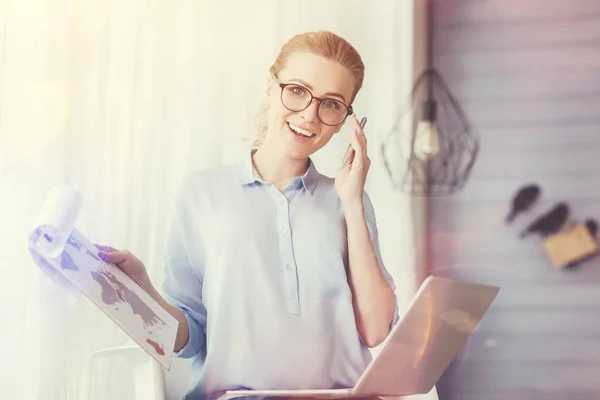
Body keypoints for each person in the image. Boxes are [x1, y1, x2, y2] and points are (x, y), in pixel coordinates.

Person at [98, 30, 399, 400]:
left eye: (332, 104)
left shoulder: (349, 200)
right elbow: (188, 339)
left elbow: (377, 331)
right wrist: (140, 291)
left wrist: (352, 201)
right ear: (271, 88)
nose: (310, 115)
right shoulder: (201, 194)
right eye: (298, 91)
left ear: (347, 120)